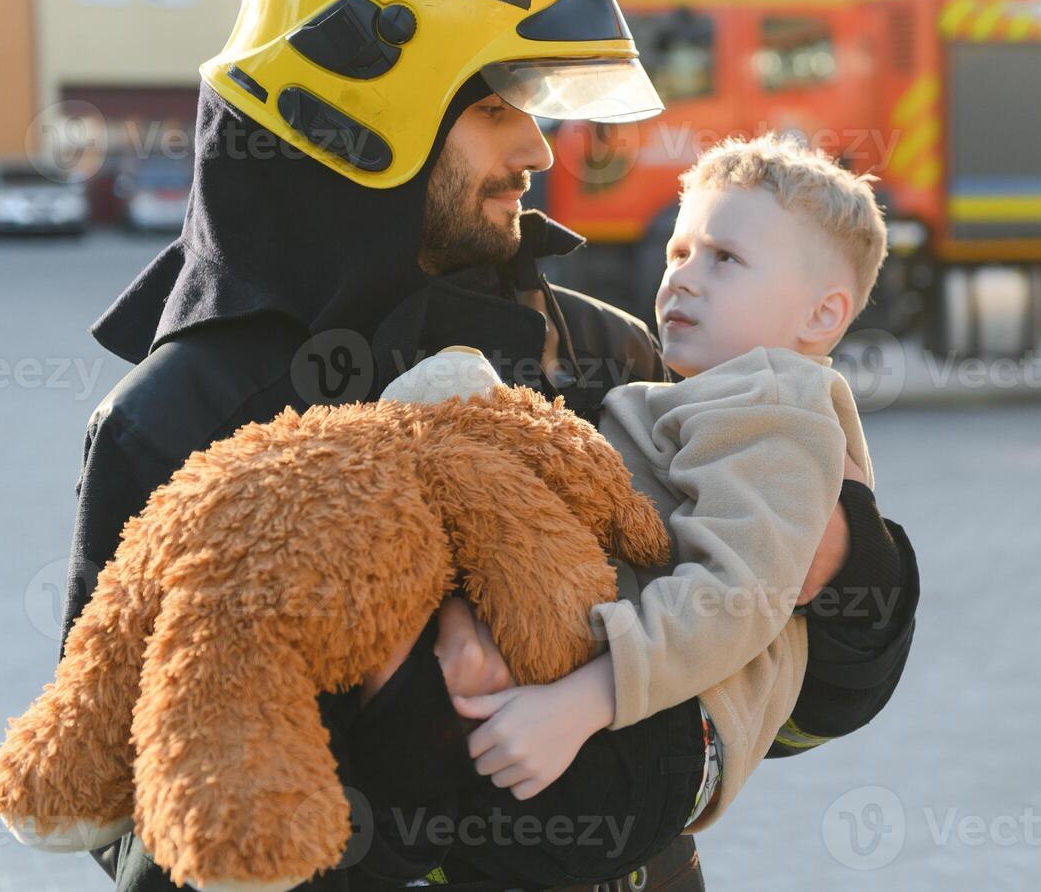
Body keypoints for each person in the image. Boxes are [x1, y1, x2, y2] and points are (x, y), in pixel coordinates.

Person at [59, 0, 918, 889]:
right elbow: (132, 816)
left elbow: (766, 701)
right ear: (368, 110)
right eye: (500, 105)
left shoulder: (600, 351)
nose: (539, 149)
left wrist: (860, 575)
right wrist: (425, 783)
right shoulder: (181, 418)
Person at [354, 133, 901, 887]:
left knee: (470, 817)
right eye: (678, 252)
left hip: (670, 735)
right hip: (645, 712)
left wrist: (583, 700)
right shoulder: (693, 391)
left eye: (724, 259)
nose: (684, 279)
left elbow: (737, 594)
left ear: (821, 315)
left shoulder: (775, 404)